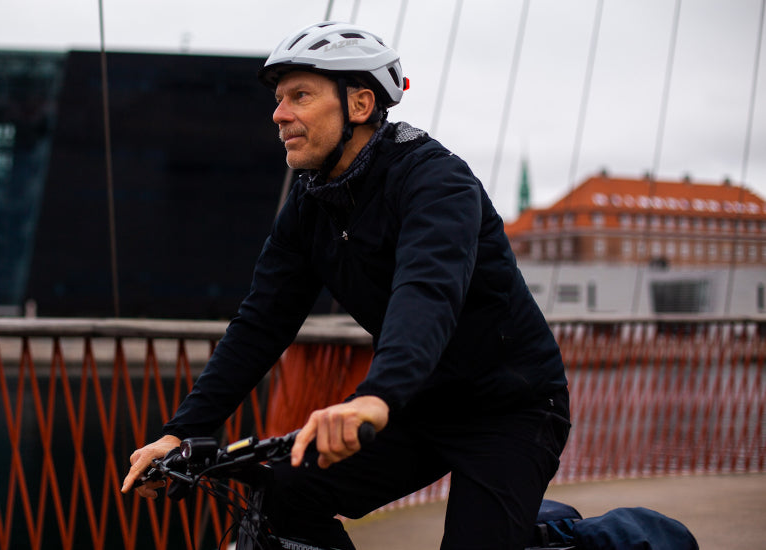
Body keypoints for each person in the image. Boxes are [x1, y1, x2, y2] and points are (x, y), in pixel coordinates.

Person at [121, 21, 570, 550]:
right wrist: (182, 431)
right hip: (416, 404)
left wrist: (375, 397)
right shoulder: (311, 202)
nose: (279, 113)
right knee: (284, 494)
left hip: (510, 406)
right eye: (279, 99)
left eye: (300, 96)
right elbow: (261, 323)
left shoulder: (437, 182)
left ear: (359, 104)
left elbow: (426, 293)